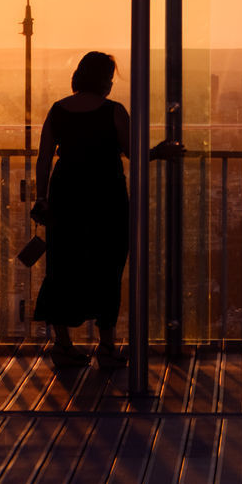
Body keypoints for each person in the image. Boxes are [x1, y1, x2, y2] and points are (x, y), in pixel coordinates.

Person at [31, 51, 179, 368]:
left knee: (62, 265)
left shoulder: (58, 111)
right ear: (104, 81)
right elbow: (133, 153)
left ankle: (63, 343)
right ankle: (107, 345)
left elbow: (44, 158)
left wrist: (41, 198)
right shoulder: (113, 112)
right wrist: (160, 152)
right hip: (105, 197)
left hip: (66, 194)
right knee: (107, 266)